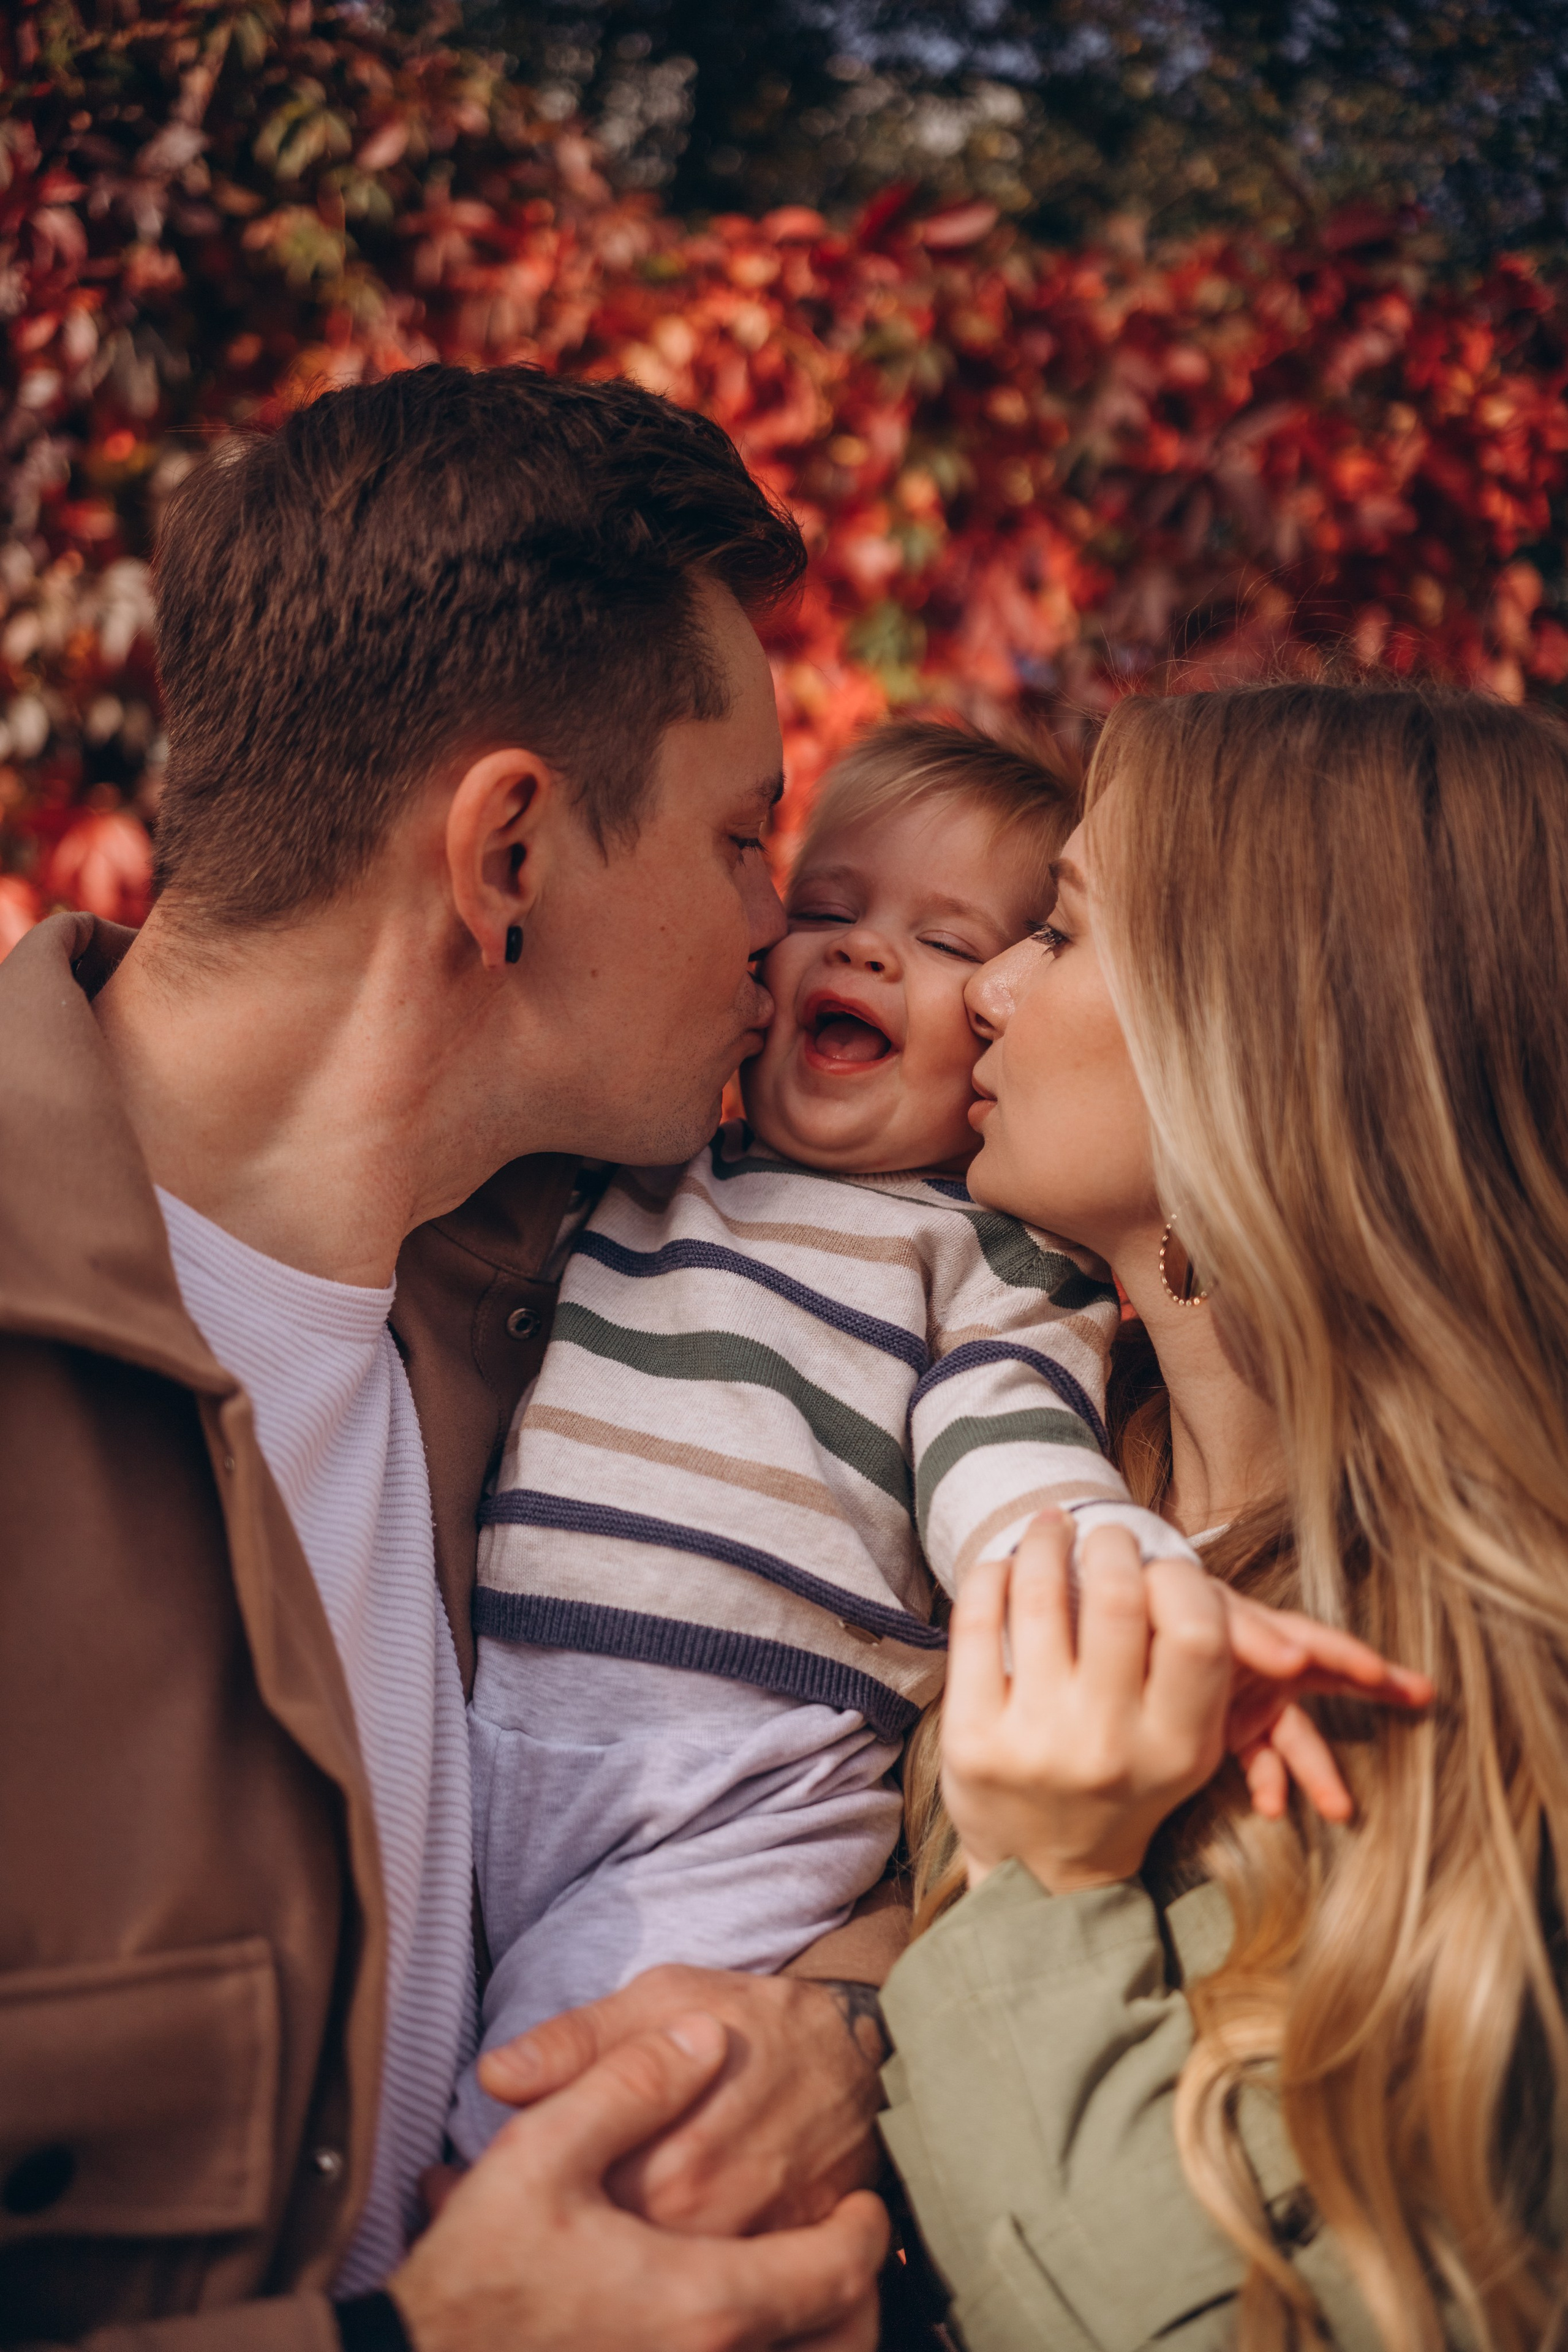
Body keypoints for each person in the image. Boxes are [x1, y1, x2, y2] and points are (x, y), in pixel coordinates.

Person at [0, 364, 892, 2350]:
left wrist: (828, 2031)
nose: (782, 927)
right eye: (746, 838)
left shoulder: (603, 1294)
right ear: (508, 855)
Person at [878, 681, 1568, 2351]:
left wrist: (1049, 1891)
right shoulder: (974, 1457)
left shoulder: (1491, 1720)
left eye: (1064, 927)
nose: (991, 982)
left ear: (1258, 1043)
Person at [452, 718, 1196, 2155]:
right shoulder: (645, 1165)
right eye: (826, 909)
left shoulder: (977, 1254)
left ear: (990, 1027)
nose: (857, 957)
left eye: (937, 940)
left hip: (736, 1789)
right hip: (490, 1728)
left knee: (553, 2107)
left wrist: (1101, 1559)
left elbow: (1005, 1437)